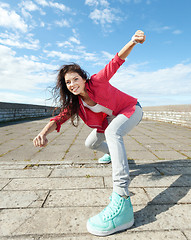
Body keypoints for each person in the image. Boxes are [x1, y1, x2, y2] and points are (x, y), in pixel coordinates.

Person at [33, 30, 146, 236]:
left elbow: (116, 60)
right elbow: (58, 118)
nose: (72, 84)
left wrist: (132, 41)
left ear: (83, 79)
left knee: (113, 133)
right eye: (68, 83)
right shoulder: (75, 104)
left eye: (75, 79)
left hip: (131, 109)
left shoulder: (98, 81)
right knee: (90, 143)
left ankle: (121, 198)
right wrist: (43, 133)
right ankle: (115, 154)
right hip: (109, 121)